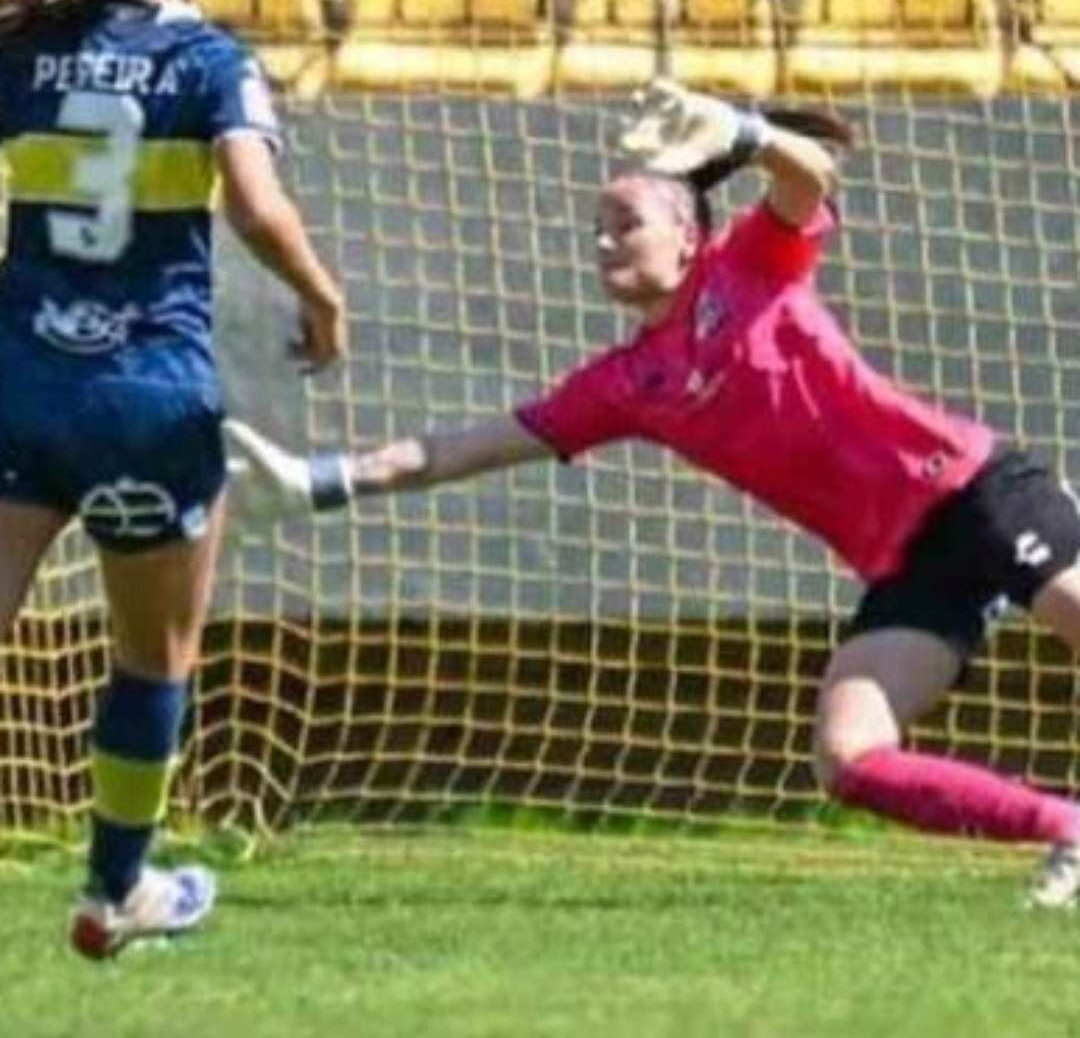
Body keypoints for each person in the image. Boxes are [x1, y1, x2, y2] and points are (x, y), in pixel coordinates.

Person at [227, 78, 1080, 906]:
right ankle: (1068, 830)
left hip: (975, 488)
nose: (603, 243)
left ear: (688, 235)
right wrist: (315, 482)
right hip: (908, 559)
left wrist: (742, 133)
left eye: (624, 223)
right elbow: (451, 452)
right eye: (596, 228)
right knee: (848, 756)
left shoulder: (749, 267)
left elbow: (809, 174)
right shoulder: (624, 384)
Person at [0, 0, 344, 959]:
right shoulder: (209, 60)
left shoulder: (29, 43)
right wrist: (319, 293)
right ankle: (116, 890)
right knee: (154, 655)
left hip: (21, 378)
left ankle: (125, 888)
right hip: (146, 395)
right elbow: (253, 203)